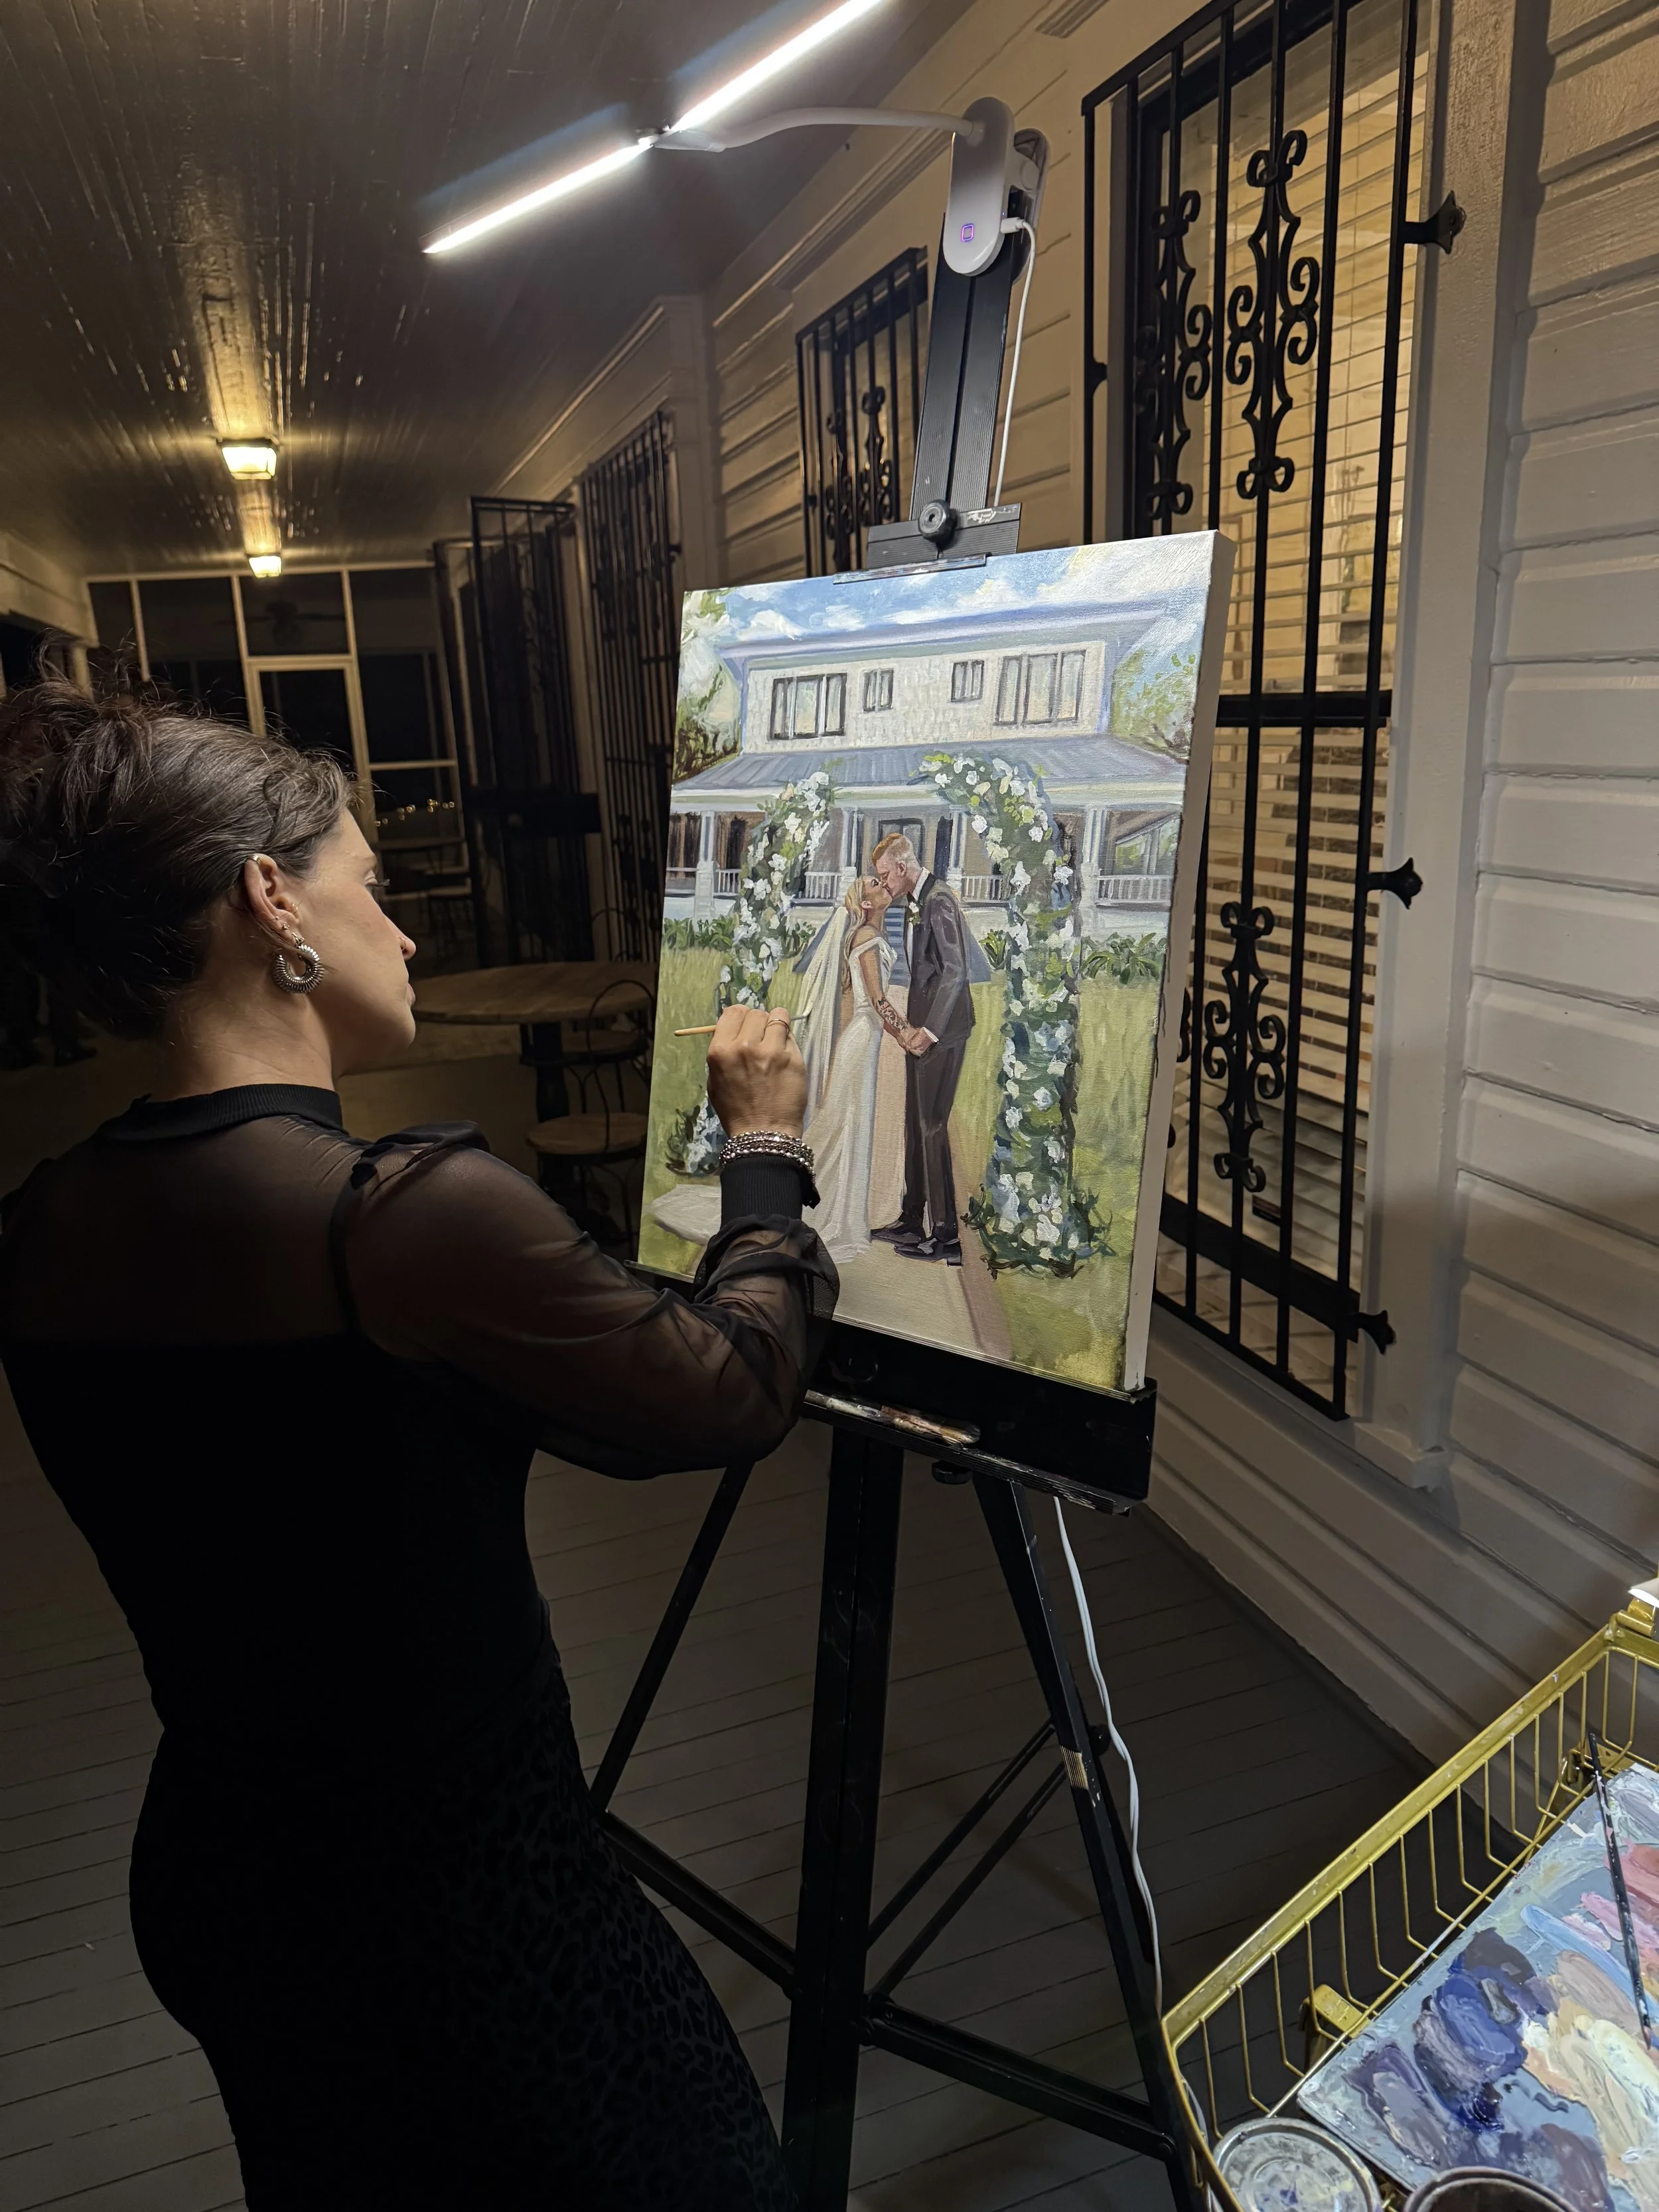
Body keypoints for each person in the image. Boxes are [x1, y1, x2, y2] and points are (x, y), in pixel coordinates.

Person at [0, 682, 835, 2210]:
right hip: (462, 1915)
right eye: (372, 889)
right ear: (271, 898)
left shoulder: (44, 1216)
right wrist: (767, 1149)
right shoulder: (396, 1218)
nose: (401, 933)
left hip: (219, 1879)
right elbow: (728, 1389)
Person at [869, 832, 979, 1266]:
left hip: (945, 1032)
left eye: (884, 877)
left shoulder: (940, 899)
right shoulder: (916, 901)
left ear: (901, 867)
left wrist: (929, 1031)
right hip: (921, 1030)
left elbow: (955, 972)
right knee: (914, 1125)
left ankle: (947, 1238)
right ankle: (913, 1220)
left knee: (932, 1127)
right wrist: (913, 1028)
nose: (883, 886)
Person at [793, 874, 901, 1261]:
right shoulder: (866, 939)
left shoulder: (874, 933)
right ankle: (828, 1217)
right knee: (845, 1125)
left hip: (864, 1041)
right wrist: (907, 1036)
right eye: (875, 882)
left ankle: (846, 1216)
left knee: (852, 1129)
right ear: (867, 903)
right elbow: (876, 1001)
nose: (884, 883)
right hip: (861, 1040)